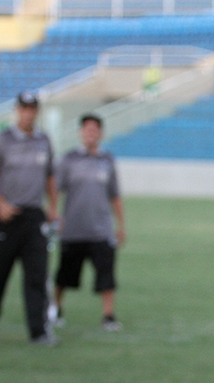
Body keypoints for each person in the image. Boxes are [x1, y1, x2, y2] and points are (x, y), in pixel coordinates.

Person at [0, 91, 58, 345]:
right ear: (17, 110)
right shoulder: (3, 140)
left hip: (34, 216)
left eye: (33, 109)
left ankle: (39, 331)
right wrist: (1, 203)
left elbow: (50, 177)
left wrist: (53, 206)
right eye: (24, 108)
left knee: (37, 275)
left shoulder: (44, 141)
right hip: (8, 216)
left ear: (37, 111)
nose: (28, 113)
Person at [53, 114, 125, 331]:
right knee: (64, 275)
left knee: (106, 275)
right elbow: (55, 189)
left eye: (95, 129)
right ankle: (56, 309)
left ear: (101, 134)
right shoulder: (69, 159)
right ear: (80, 132)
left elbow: (115, 195)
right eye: (87, 129)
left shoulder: (108, 161)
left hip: (101, 229)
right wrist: (55, 215)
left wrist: (121, 225)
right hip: (73, 229)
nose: (91, 133)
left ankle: (108, 315)